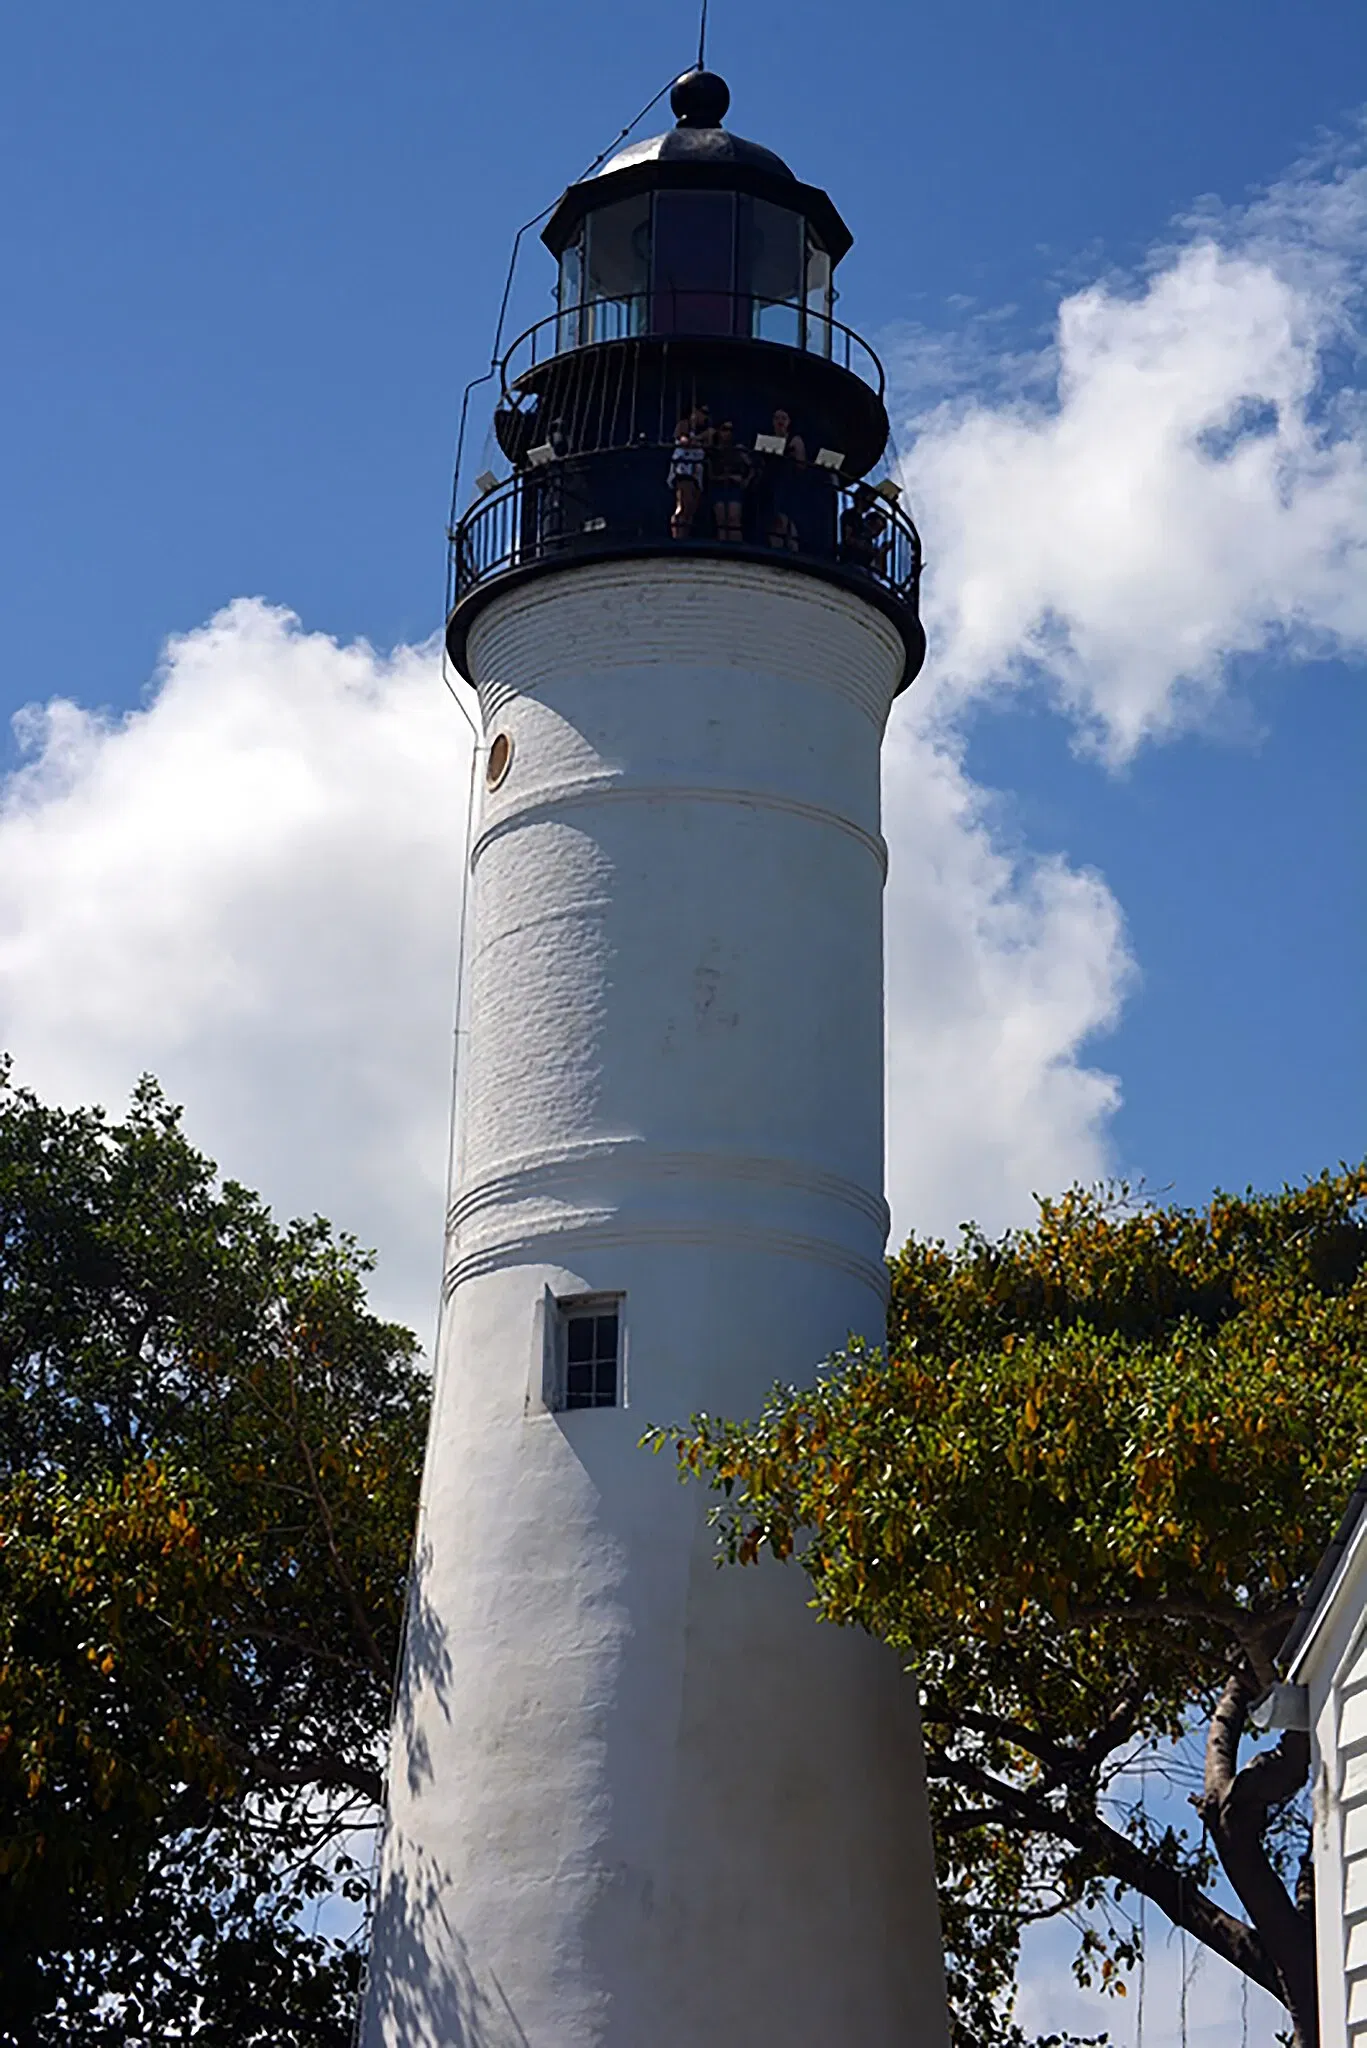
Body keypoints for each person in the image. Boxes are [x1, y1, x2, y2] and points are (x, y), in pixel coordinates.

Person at [766, 407, 807, 550]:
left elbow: (801, 465)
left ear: (789, 422)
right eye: (777, 418)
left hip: (788, 485)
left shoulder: (795, 440)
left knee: (785, 521)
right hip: (769, 484)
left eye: (783, 418)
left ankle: (790, 551)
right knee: (773, 521)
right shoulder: (768, 440)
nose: (780, 421)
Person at [707, 421, 753, 543]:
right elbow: (710, 475)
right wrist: (728, 477)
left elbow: (752, 466)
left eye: (730, 430)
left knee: (734, 518)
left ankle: (737, 549)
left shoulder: (738, 450)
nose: (728, 433)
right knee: (721, 520)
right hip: (718, 487)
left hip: (734, 489)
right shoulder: (713, 452)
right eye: (725, 429)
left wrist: (746, 480)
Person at [667, 419, 706, 539]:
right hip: (684, 470)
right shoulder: (684, 425)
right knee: (683, 505)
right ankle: (677, 536)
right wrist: (702, 437)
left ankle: (685, 535)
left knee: (691, 508)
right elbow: (683, 441)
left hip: (696, 472)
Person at [839, 482, 889, 575]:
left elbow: (880, 571)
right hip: (850, 564)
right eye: (870, 500)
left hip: (861, 568)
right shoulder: (850, 515)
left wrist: (882, 552)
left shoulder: (860, 522)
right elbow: (848, 539)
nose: (870, 504)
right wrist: (872, 551)